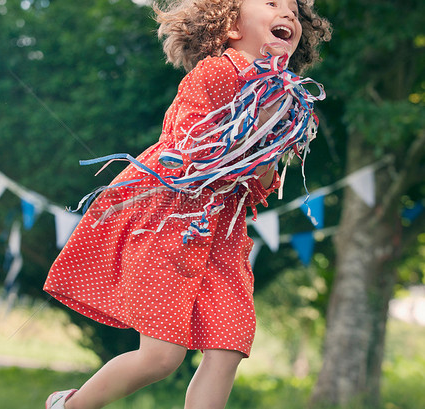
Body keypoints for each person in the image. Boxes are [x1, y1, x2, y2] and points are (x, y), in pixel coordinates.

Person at [43, 1, 331, 408]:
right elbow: (186, 147)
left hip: (224, 240)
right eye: (270, 3)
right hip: (171, 226)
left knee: (228, 348)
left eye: (294, 11)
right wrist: (253, 123)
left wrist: (269, 135)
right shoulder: (217, 72)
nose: (287, 14)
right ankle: (70, 405)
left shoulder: (284, 98)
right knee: (161, 357)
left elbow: (260, 183)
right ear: (231, 25)